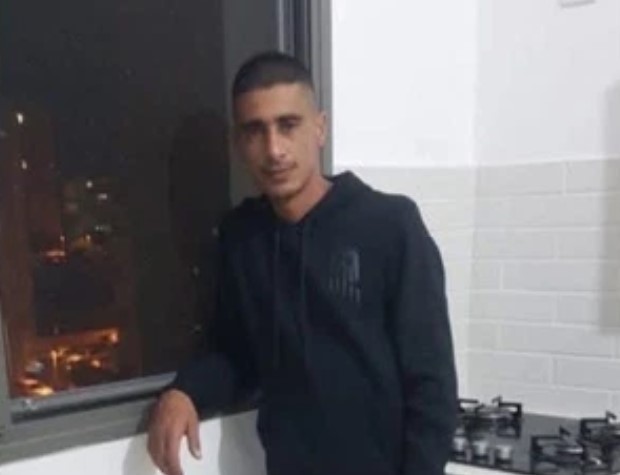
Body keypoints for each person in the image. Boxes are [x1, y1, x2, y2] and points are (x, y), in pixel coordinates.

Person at [148, 51, 457, 475]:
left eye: (288, 125)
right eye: (255, 131)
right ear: (240, 144)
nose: (274, 149)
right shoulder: (243, 238)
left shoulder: (389, 226)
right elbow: (236, 354)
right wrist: (185, 392)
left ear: (320, 128)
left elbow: (432, 386)